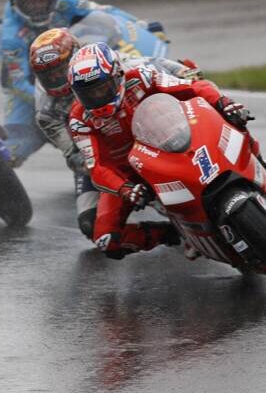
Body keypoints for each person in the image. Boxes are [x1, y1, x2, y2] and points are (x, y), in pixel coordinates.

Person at [67, 42, 252, 260]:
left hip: (167, 143)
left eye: (101, 87)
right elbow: (96, 167)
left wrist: (222, 102)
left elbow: (191, 87)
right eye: (89, 93)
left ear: (117, 76)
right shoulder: (79, 120)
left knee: (232, 119)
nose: (98, 96)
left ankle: (256, 164)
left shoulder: (141, 77)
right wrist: (124, 188)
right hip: (128, 175)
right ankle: (171, 234)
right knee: (106, 239)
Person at [30, 28, 202, 238]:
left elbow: (150, 65)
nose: (57, 77)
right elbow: (74, 155)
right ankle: (169, 234)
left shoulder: (98, 62)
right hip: (101, 151)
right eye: (49, 75)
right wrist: (110, 172)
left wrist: (182, 72)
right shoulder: (46, 112)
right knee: (91, 225)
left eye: (61, 70)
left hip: (144, 128)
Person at [0, 0, 114, 166]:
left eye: (44, 1)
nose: (37, 8)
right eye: (30, 3)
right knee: (13, 150)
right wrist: (52, 100)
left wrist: (138, 26)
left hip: (68, 67)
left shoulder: (67, 1)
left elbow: (106, 12)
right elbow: (17, 83)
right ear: (16, 2)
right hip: (26, 88)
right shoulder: (11, 36)